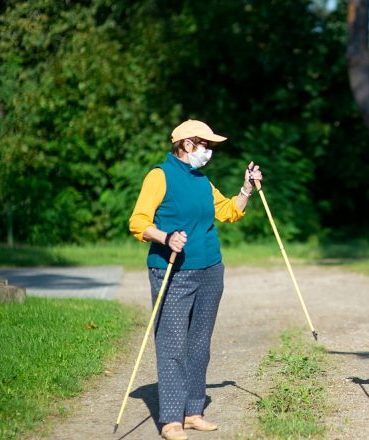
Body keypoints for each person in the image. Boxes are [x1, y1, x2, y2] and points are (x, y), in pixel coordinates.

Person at [128, 119, 262, 440]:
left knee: (200, 343)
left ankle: (193, 411)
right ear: (188, 145)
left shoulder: (202, 181)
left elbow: (229, 211)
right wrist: (165, 237)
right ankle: (172, 420)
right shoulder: (159, 176)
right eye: (207, 145)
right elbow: (138, 221)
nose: (210, 151)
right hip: (172, 270)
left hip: (210, 270)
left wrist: (246, 188)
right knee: (173, 344)